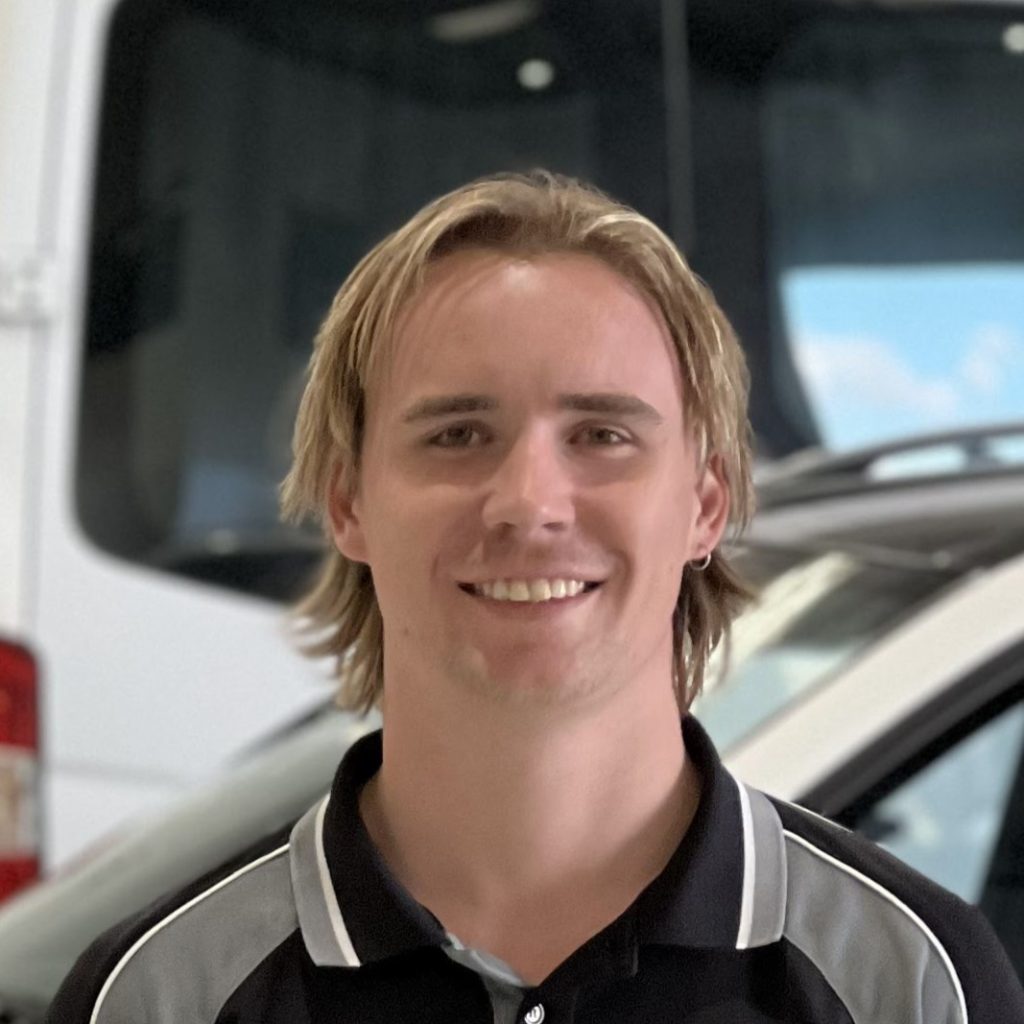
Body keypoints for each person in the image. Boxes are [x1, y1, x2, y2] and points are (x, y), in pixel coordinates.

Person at [47, 172, 1024, 1023]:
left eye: (602, 435)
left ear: (705, 503)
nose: (527, 502)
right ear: (347, 502)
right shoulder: (158, 994)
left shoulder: (907, 979)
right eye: (456, 435)